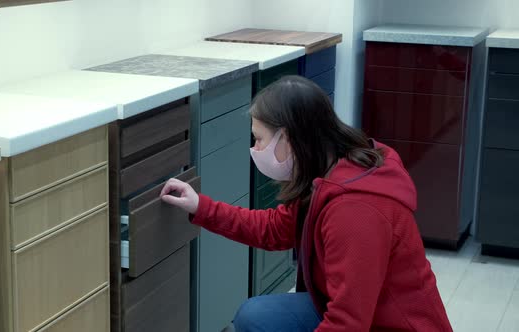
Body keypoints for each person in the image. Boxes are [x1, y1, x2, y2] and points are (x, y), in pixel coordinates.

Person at [160, 75, 453, 332]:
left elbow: (347, 324)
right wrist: (201, 207)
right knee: (255, 315)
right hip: (366, 313)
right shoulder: (327, 171)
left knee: (259, 317)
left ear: (287, 138)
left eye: (259, 139)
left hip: (392, 326)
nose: (255, 149)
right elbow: (275, 229)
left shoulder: (354, 212)